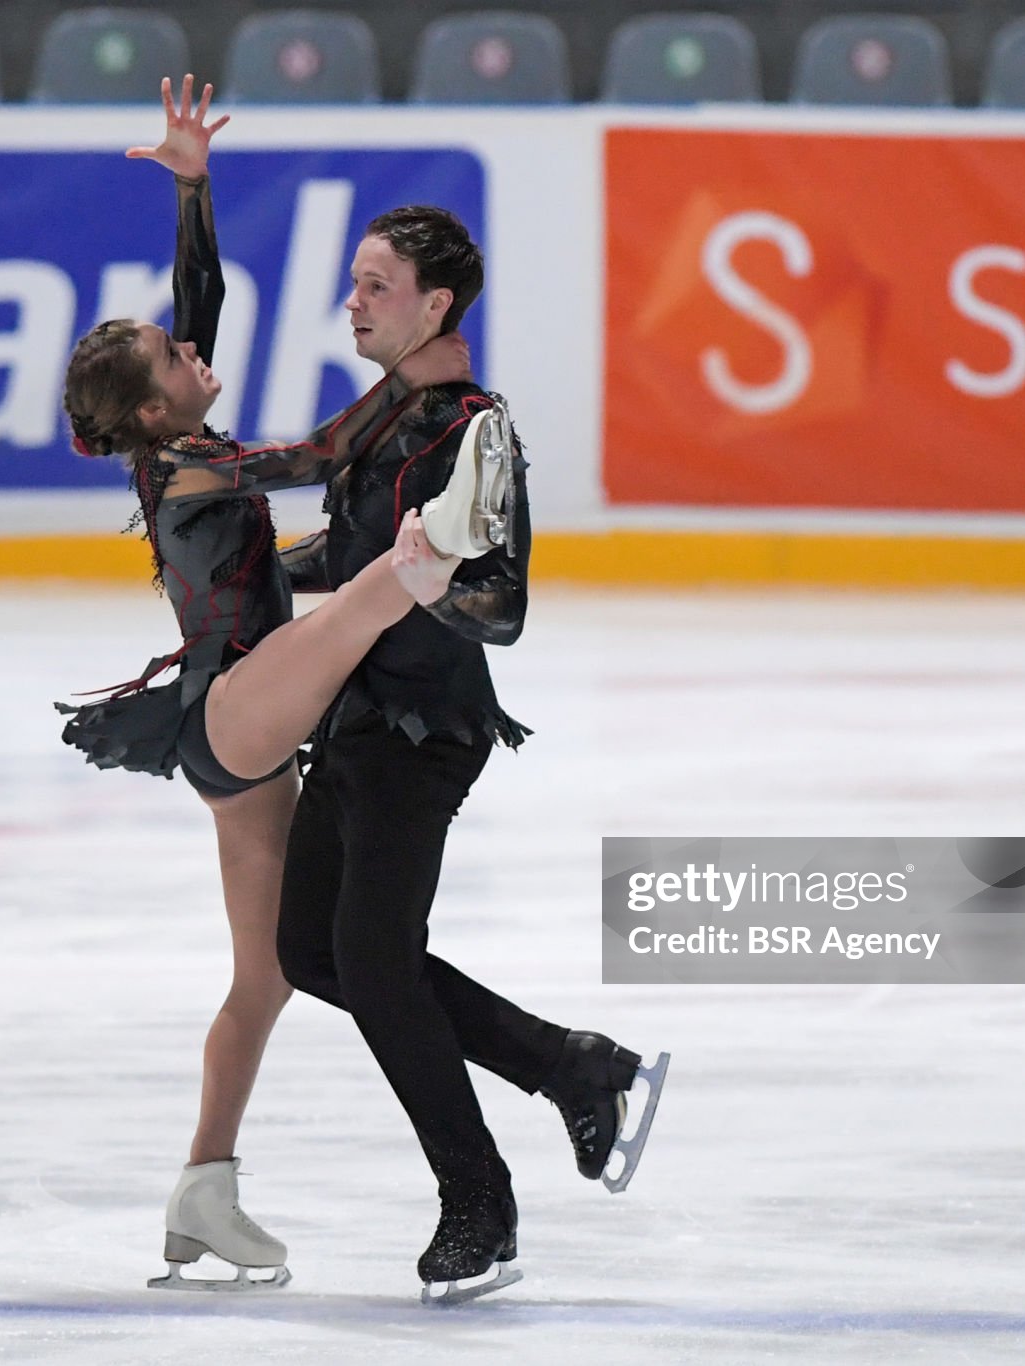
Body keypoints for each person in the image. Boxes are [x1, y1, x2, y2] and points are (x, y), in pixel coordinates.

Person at [55, 76, 481, 1291]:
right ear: (155, 407)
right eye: (174, 358)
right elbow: (321, 452)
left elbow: (202, 304)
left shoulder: (176, 438)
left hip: (239, 739)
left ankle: (205, 1187)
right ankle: (429, 555)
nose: (196, 352)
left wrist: (193, 190)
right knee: (367, 591)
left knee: (272, 973)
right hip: (231, 709)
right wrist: (422, 385)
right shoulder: (192, 469)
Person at [272, 205, 670, 1304]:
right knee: (312, 952)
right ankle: (568, 1064)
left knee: (375, 961)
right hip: (352, 720)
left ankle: (477, 1204)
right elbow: (353, 548)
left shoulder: (472, 432)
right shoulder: (381, 418)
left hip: (424, 732)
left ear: (434, 303)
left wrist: (436, 588)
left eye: (376, 285)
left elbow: (503, 607)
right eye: (355, 281)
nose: (353, 302)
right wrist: (250, 568)